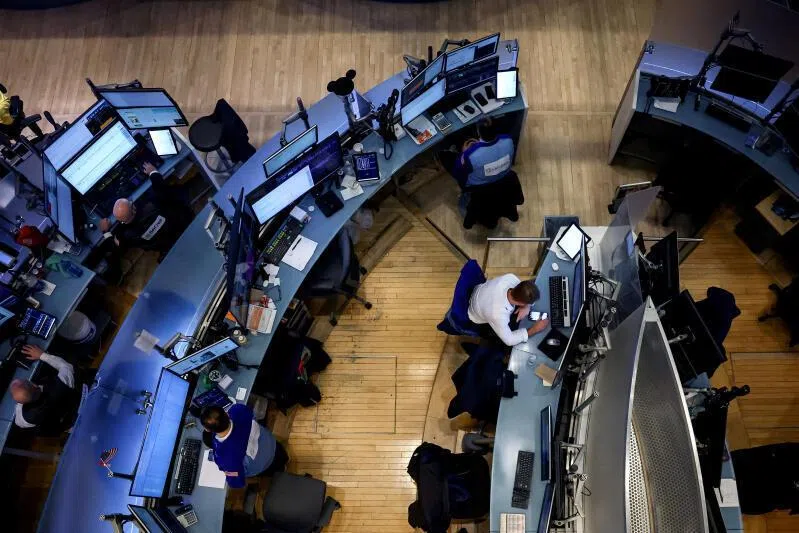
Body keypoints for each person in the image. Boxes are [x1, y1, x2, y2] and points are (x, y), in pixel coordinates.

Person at [98, 162, 192, 256]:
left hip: (164, 244)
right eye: (130, 202)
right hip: (181, 224)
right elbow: (161, 190)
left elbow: (117, 248)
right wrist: (153, 172)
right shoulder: (152, 203)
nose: (131, 201)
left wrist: (105, 231)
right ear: (134, 209)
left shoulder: (126, 235)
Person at [200, 404, 289, 488]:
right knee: (282, 457)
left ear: (207, 429)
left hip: (265, 464)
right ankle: (285, 462)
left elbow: (236, 483)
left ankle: (281, 471)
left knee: (275, 470)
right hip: (272, 443)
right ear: (226, 413)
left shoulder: (224, 458)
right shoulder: (238, 409)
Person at [9, 345, 79, 430]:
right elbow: (66, 366)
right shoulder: (62, 383)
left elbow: (18, 419)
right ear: (34, 385)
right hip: (77, 402)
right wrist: (41, 355)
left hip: (64, 425)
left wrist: (22, 398)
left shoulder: (26, 419)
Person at [468, 274, 549, 346]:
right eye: (526, 304)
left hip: (481, 292)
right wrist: (534, 329)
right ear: (521, 303)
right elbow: (509, 340)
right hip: (476, 313)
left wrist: (526, 307)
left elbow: (527, 296)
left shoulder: (510, 278)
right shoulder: (497, 315)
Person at [454, 117, 516, 188]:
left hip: (480, 186)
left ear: (478, 132)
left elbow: (458, 172)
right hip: (503, 176)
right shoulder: (508, 140)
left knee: (447, 158)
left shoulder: (470, 155)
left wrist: (463, 153)